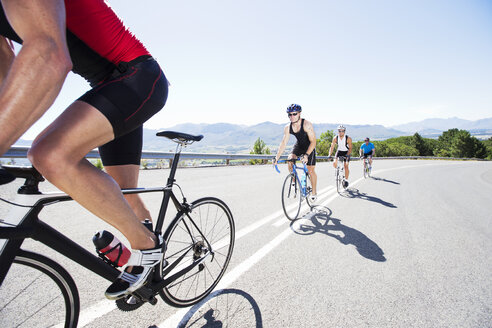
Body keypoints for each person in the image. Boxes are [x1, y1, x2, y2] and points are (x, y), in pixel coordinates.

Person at [0, 0, 168, 300]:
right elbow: (10, 82)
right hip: (111, 83)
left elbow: (48, 56)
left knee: (48, 155)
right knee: (124, 192)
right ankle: (149, 256)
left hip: (138, 77)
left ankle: (146, 247)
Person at [274, 104, 317, 202]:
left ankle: (314, 192)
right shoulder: (288, 127)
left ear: (299, 114)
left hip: (309, 146)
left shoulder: (307, 125)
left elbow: (313, 142)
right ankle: (294, 179)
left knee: (310, 171)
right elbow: (284, 143)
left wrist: (306, 155)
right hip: (299, 146)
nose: (291, 117)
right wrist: (277, 157)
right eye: (289, 115)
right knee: (290, 158)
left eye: (294, 114)